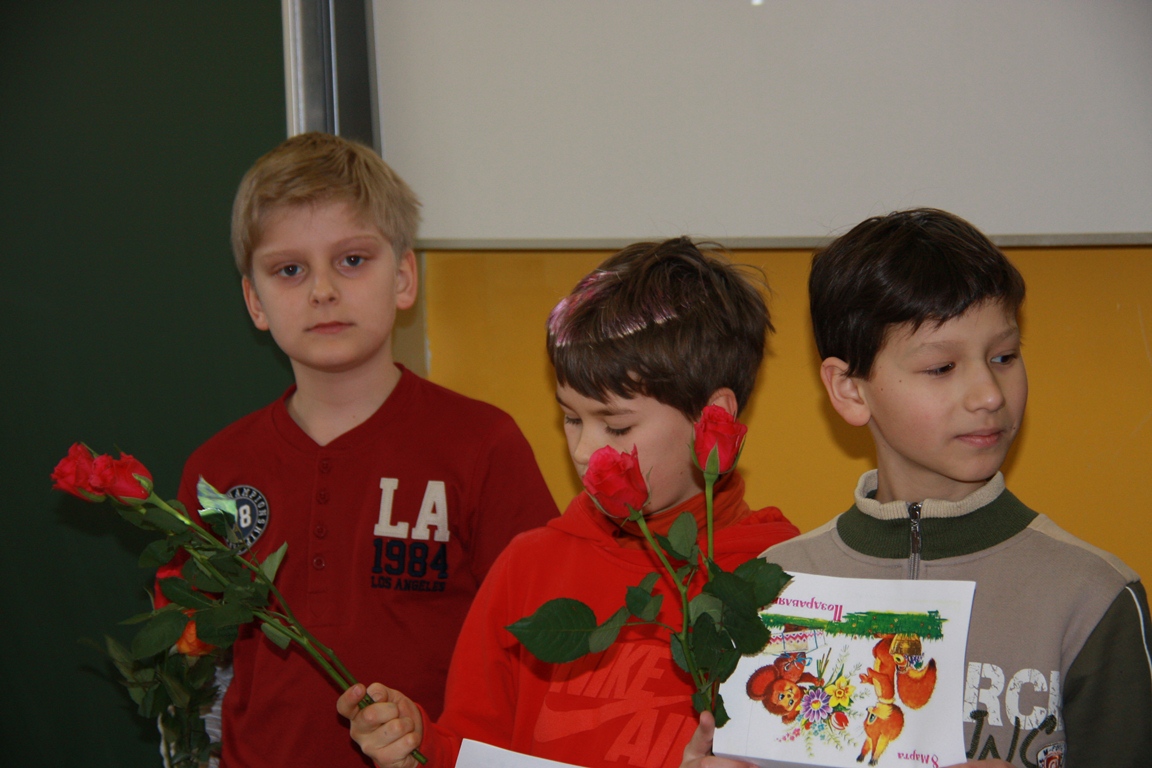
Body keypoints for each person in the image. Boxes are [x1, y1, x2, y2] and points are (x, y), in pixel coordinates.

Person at [337, 237, 801, 768]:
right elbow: (473, 748)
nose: (584, 452)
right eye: (572, 418)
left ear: (712, 417)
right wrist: (419, 747)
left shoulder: (784, 576)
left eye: (616, 426)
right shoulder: (529, 567)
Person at [173, 132, 558, 768]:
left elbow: (541, 646)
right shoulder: (217, 471)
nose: (322, 290)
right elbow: (202, 670)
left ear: (403, 278)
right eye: (289, 270)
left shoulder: (482, 444)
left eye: (352, 260)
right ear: (255, 302)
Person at [756, 209, 1152, 767]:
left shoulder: (1092, 595)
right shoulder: (774, 586)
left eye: (1004, 357)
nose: (989, 394)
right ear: (849, 390)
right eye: (942, 367)